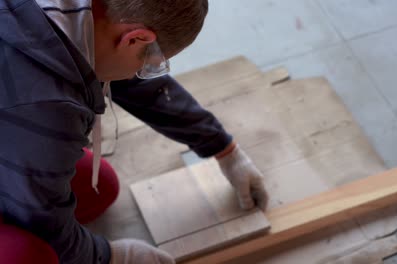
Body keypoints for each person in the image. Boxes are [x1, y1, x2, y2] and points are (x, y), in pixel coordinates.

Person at [0, 0, 269, 263]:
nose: (140, 73)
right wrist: (110, 256)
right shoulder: (47, 109)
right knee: (33, 254)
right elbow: (43, 224)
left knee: (98, 188)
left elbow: (125, 78)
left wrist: (223, 147)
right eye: (150, 65)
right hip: (22, 111)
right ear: (134, 39)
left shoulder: (78, 17)